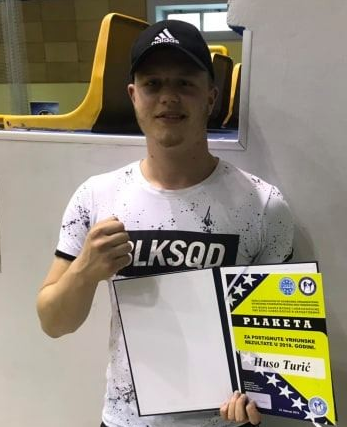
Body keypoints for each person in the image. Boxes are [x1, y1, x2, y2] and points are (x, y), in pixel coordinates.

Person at [36, 19, 294, 427]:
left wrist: (262, 391)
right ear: (133, 96)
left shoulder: (263, 205)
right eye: (153, 83)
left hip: (225, 422)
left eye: (185, 83)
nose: (168, 97)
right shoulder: (96, 196)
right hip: (125, 420)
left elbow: (281, 337)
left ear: (210, 96)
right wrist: (85, 271)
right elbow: (54, 323)